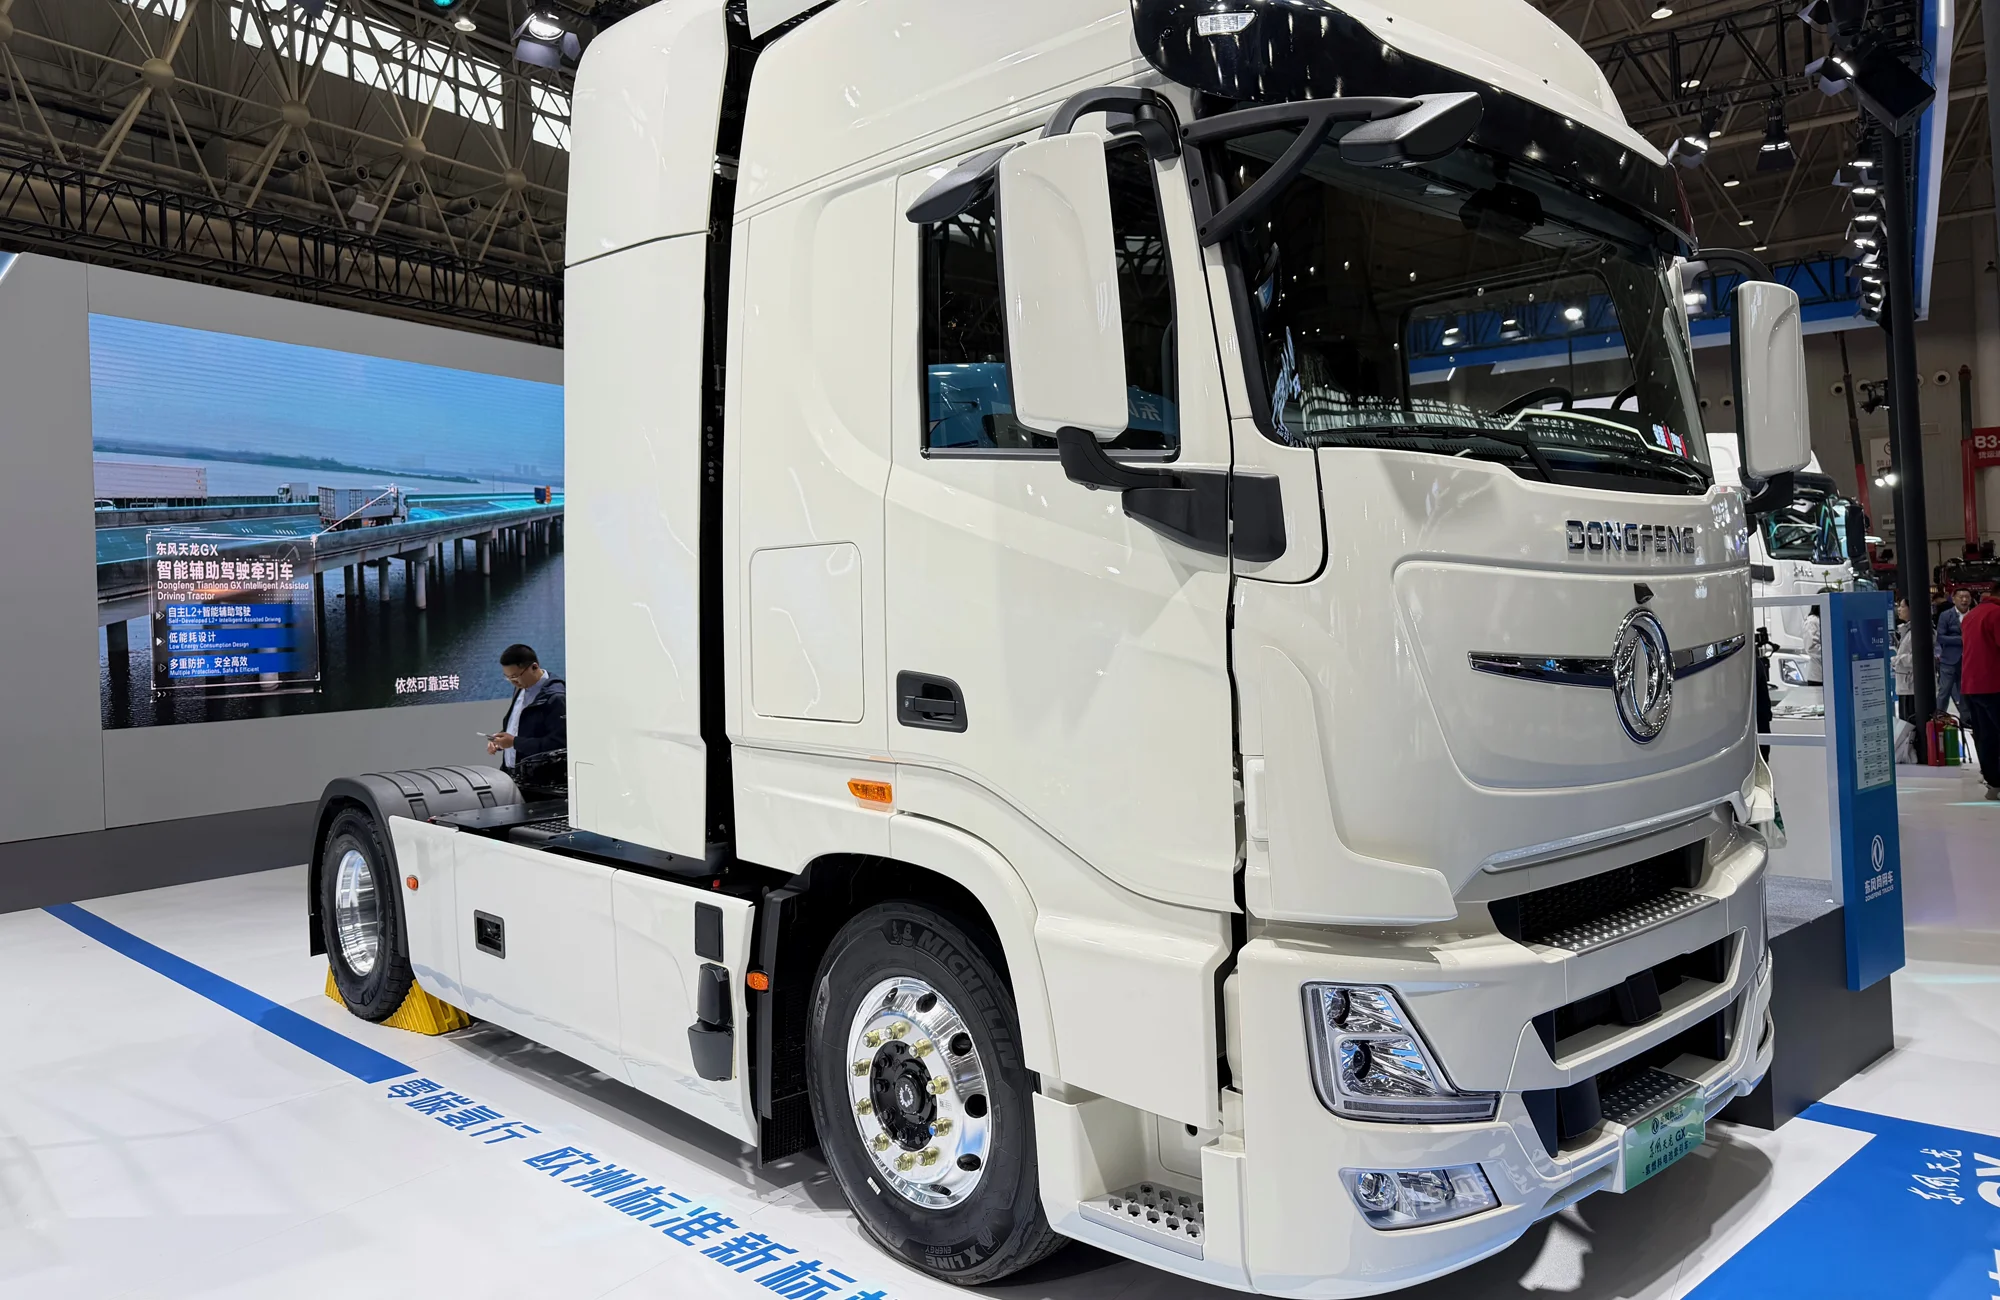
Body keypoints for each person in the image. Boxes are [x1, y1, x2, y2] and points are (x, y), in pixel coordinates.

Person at [489, 643, 566, 773]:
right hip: (512, 773)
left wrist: (514, 742)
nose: (512, 682)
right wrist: (500, 740)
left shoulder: (556, 697)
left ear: (534, 667)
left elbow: (559, 744)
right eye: (508, 677)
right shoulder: (521, 687)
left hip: (540, 778)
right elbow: (521, 726)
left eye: (514, 676)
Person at [1963, 588, 2000, 799]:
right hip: (1994, 683)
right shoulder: (1996, 614)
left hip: (1972, 685)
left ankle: (1994, 784)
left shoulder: (1972, 615)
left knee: (1986, 736)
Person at [1937, 588, 1973, 716]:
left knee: (1965, 692)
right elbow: (1940, 637)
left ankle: (1966, 720)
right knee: (1944, 691)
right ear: (1953, 599)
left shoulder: (1974, 614)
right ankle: (1939, 718)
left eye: (1967, 597)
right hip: (1949, 660)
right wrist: (1963, 639)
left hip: (1969, 660)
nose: (1964, 600)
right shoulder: (1945, 615)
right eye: (1961, 597)